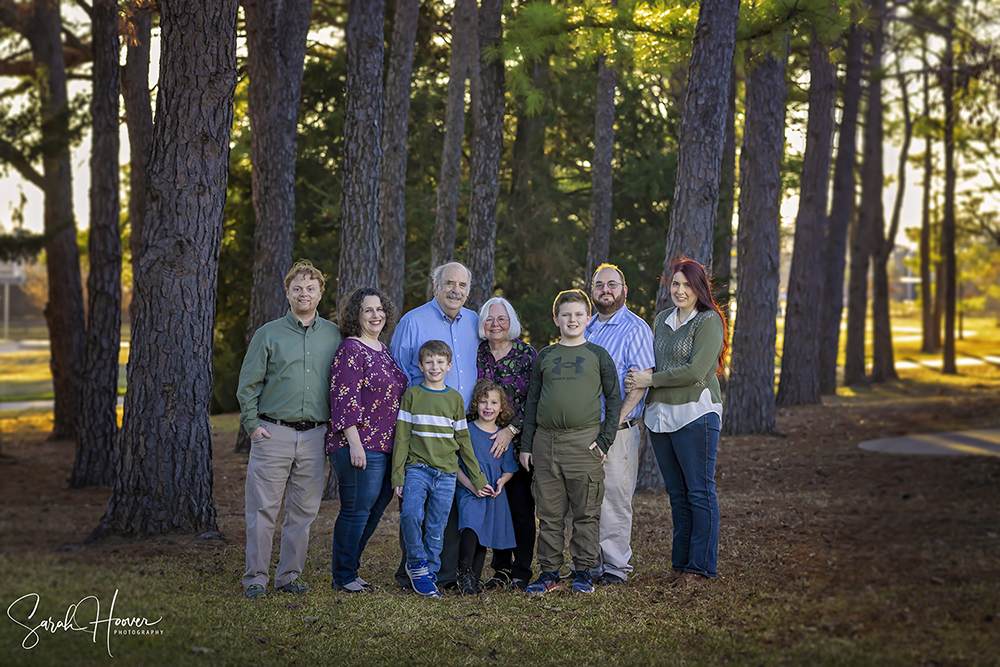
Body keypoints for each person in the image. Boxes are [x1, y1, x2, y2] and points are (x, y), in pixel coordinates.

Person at [237, 260, 342, 598]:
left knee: (303, 512)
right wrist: (253, 427)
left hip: (315, 436)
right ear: (287, 292)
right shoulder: (268, 334)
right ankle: (256, 577)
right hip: (273, 433)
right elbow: (248, 385)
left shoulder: (333, 334)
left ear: (320, 293)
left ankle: (288, 575)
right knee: (263, 510)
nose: (304, 293)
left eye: (310, 288)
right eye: (297, 288)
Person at [626, 258, 728, 588]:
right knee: (677, 495)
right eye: (675, 284)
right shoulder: (661, 320)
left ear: (699, 288)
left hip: (696, 414)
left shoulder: (709, 321)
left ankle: (700, 569)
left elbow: (697, 371)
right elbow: (652, 363)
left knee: (699, 492)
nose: (680, 290)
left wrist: (649, 379)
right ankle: (681, 564)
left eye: (687, 285)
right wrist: (640, 380)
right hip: (660, 418)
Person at [519, 289, 621, 595]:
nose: (572, 320)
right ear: (556, 319)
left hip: (584, 443)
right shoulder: (546, 356)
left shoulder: (598, 355)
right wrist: (526, 445)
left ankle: (583, 572)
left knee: (585, 513)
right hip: (546, 443)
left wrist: (605, 440)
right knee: (549, 514)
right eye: (566, 315)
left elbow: (614, 400)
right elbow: (532, 401)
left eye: (578, 314)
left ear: (588, 319)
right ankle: (549, 572)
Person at [390, 262, 479, 589]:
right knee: (415, 504)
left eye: (463, 285)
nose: (456, 290)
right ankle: (411, 570)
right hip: (420, 428)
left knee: (448, 505)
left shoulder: (474, 321)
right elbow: (398, 377)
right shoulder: (413, 321)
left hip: (460, 425)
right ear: (436, 285)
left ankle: (443, 573)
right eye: (450, 283)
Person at [391, 340, 490, 598]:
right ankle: (416, 563)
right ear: (420, 365)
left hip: (446, 474)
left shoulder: (455, 399)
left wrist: (477, 479)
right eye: (429, 362)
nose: (434, 366)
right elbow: (401, 438)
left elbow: (463, 442)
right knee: (411, 515)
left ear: (449, 365)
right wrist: (397, 474)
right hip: (417, 470)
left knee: (437, 526)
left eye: (439, 362)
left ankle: (430, 573)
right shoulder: (412, 396)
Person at [326, 287, 408, 593]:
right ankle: (343, 576)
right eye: (368, 310)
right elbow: (343, 397)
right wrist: (355, 443)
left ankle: (350, 570)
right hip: (360, 445)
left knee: (373, 512)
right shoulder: (351, 348)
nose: (376, 315)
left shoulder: (382, 349)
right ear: (356, 316)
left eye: (379, 309)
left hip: (387, 447)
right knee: (356, 510)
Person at [582, 263, 654, 586]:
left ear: (624, 291)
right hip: (583, 430)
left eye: (612, 285)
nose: (605, 290)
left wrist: (612, 425)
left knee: (613, 497)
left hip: (618, 431)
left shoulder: (635, 328)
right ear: (592, 290)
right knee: (584, 498)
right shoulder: (586, 328)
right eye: (599, 285)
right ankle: (589, 563)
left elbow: (640, 384)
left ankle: (614, 568)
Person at [475, 297, 538, 590]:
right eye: (489, 319)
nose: (495, 324)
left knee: (521, 509)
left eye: (501, 319)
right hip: (486, 445)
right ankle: (500, 569)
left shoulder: (527, 355)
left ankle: (522, 570)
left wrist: (510, 430)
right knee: (497, 507)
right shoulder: (476, 354)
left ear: (511, 321)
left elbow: (535, 401)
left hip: (519, 444)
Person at [455, 379, 518, 595]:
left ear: (501, 407)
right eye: (483, 402)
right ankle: (463, 574)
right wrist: (471, 486)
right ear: (475, 405)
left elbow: (508, 467)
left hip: (492, 493)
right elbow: (455, 465)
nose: (488, 407)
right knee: (471, 528)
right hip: (469, 490)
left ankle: (474, 578)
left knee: (483, 535)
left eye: (493, 402)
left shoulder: (503, 435)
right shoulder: (467, 431)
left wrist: (503, 481)